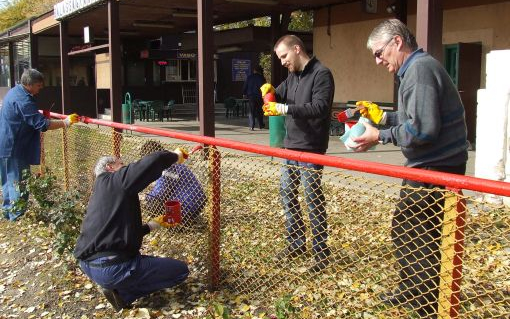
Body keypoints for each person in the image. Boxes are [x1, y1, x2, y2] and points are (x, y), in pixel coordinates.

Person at [352, 19, 469, 318]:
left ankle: (426, 303)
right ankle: (413, 290)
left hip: (435, 166)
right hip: (435, 163)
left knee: (413, 231)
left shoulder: (419, 71)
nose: (378, 61)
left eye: (379, 53)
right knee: (413, 231)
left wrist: (380, 135)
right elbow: (414, 115)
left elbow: (423, 130)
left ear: (396, 42)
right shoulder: (419, 67)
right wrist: (384, 117)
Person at [74, 149, 190, 311]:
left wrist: (154, 224)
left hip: (88, 265)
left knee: (138, 264)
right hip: (112, 267)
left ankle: (118, 287)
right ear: (110, 167)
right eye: (121, 164)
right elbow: (153, 161)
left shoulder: (101, 190)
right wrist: (175, 156)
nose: (125, 166)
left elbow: (117, 233)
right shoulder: (115, 180)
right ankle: (123, 293)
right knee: (180, 271)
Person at [264, 35, 335, 273]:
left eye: (284, 56)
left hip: (311, 148)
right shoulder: (292, 76)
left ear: (297, 49)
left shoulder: (321, 74)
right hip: (290, 146)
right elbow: (278, 94)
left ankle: (321, 252)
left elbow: (320, 107)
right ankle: (296, 244)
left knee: (312, 199)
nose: (283, 62)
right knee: (287, 194)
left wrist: (282, 108)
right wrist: (269, 92)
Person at [0, 68, 79, 221]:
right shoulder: (23, 100)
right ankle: (17, 216)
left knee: (8, 180)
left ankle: (8, 212)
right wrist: (66, 122)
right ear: (30, 84)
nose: (40, 89)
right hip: (14, 146)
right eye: (39, 86)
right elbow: (41, 124)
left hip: (5, 143)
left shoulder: (15, 91)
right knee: (18, 181)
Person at [140, 140, 206, 224]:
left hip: (188, 203)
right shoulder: (170, 162)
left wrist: (146, 197)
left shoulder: (166, 169)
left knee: (152, 203)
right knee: (156, 202)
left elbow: (160, 192)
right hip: (197, 199)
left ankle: (181, 221)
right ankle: (187, 219)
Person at [243, 65, 266, 130]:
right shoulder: (261, 78)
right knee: (259, 110)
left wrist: (244, 93)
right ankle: (260, 125)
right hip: (259, 96)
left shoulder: (249, 77)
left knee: (251, 110)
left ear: (254, 70)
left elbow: (245, 86)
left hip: (251, 96)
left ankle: (251, 125)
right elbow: (264, 87)